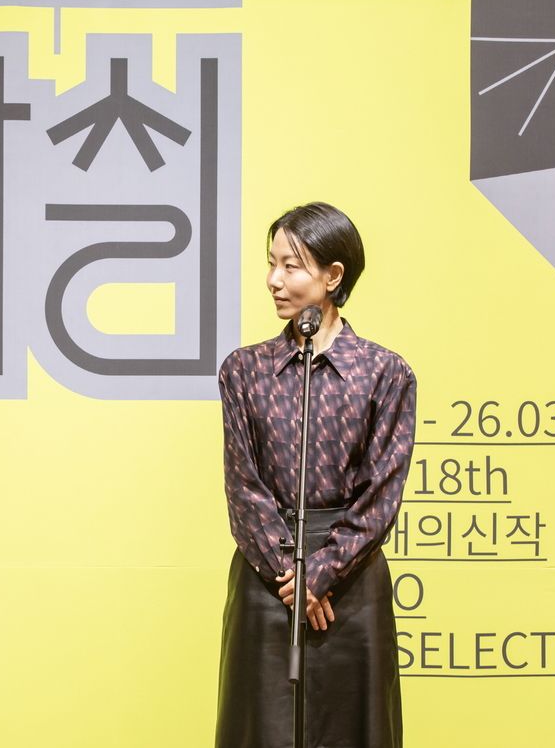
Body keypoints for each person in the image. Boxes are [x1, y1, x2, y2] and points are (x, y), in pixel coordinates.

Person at [214, 202, 416, 748]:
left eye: (291, 266)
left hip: (350, 583)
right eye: (271, 263)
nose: (273, 280)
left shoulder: (386, 372)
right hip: (267, 579)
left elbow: (381, 494)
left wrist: (320, 574)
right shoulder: (244, 371)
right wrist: (292, 577)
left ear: (333, 276)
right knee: (263, 728)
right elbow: (243, 486)